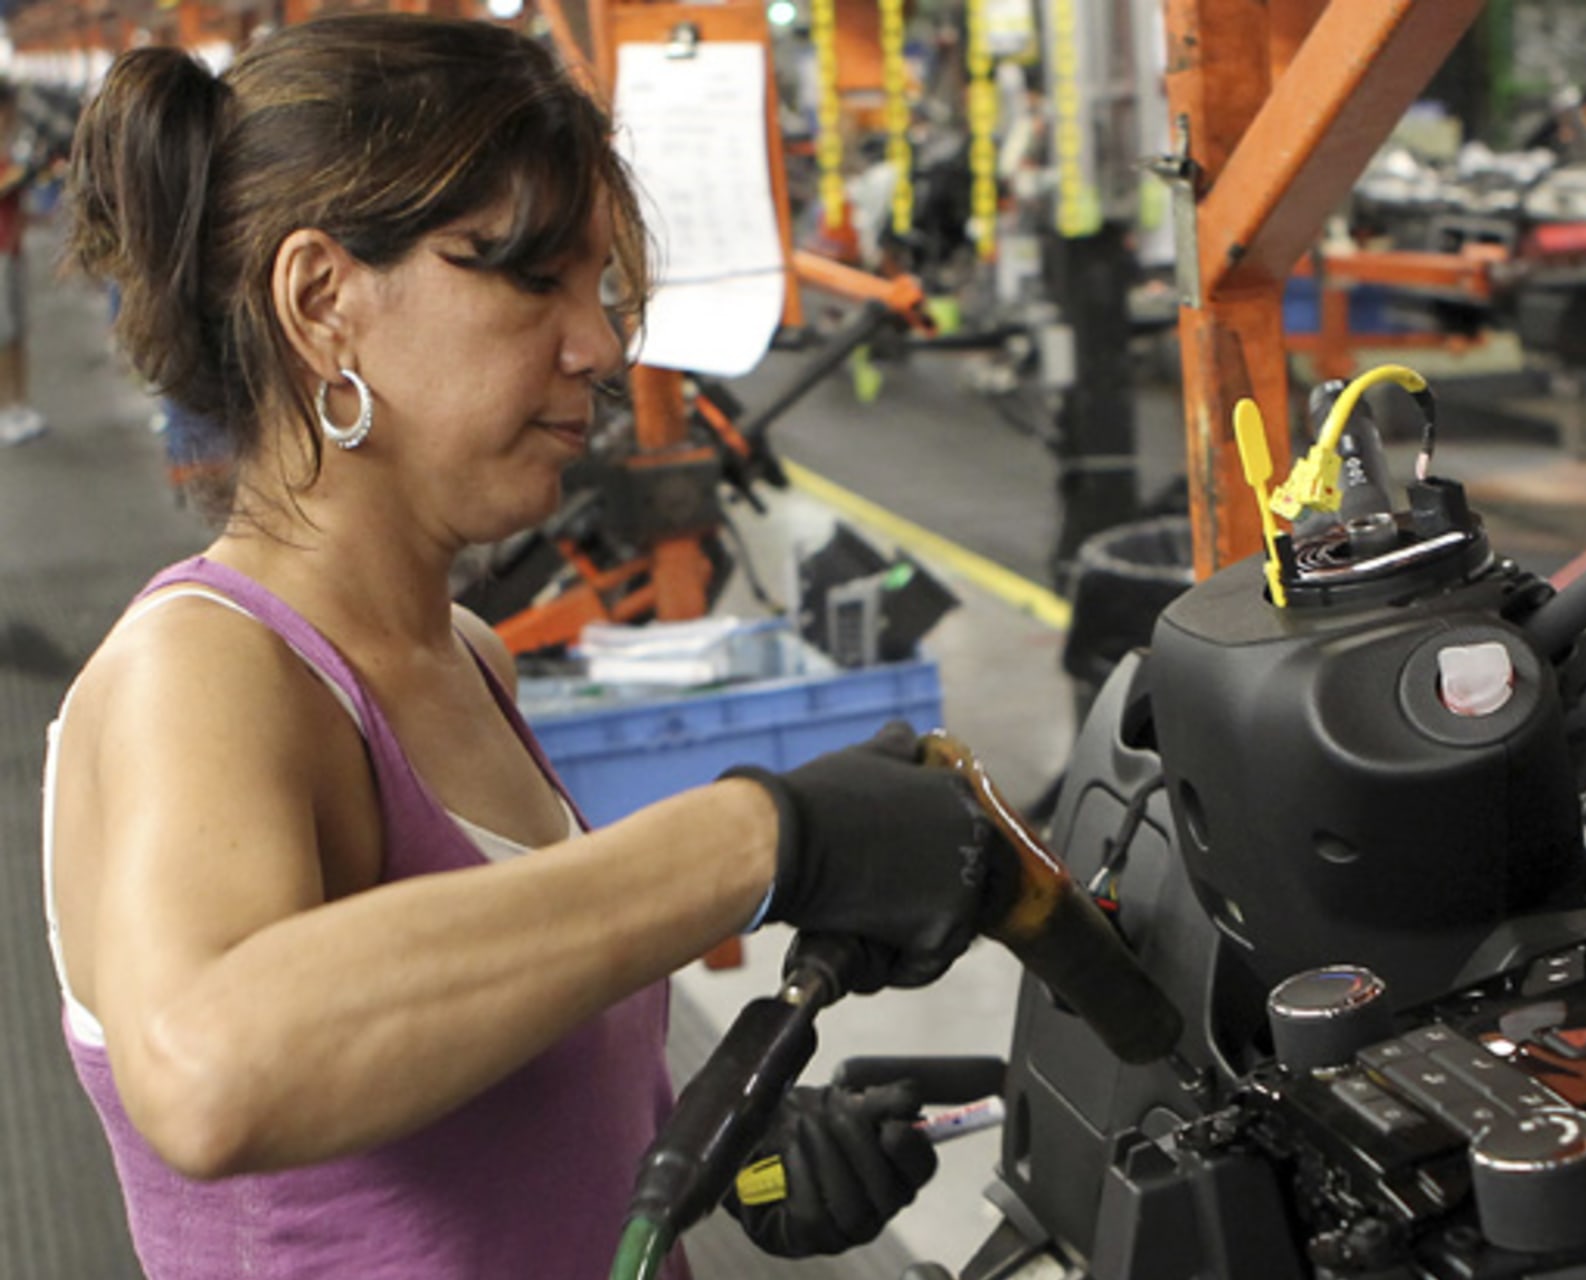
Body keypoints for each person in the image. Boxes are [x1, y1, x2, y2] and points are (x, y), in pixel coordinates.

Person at [48, 16, 1008, 1279]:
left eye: (595, 288)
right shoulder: (206, 668)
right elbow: (212, 1067)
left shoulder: (466, 656)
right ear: (322, 299)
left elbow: (485, 1090)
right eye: (529, 277)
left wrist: (742, 1149)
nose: (600, 346)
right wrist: (760, 836)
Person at [0, 79, 45, 445]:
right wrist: (22, 175)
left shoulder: (8, 146)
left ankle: (20, 403)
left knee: (17, 331)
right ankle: (4, 409)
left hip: (11, 248)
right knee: (2, 333)